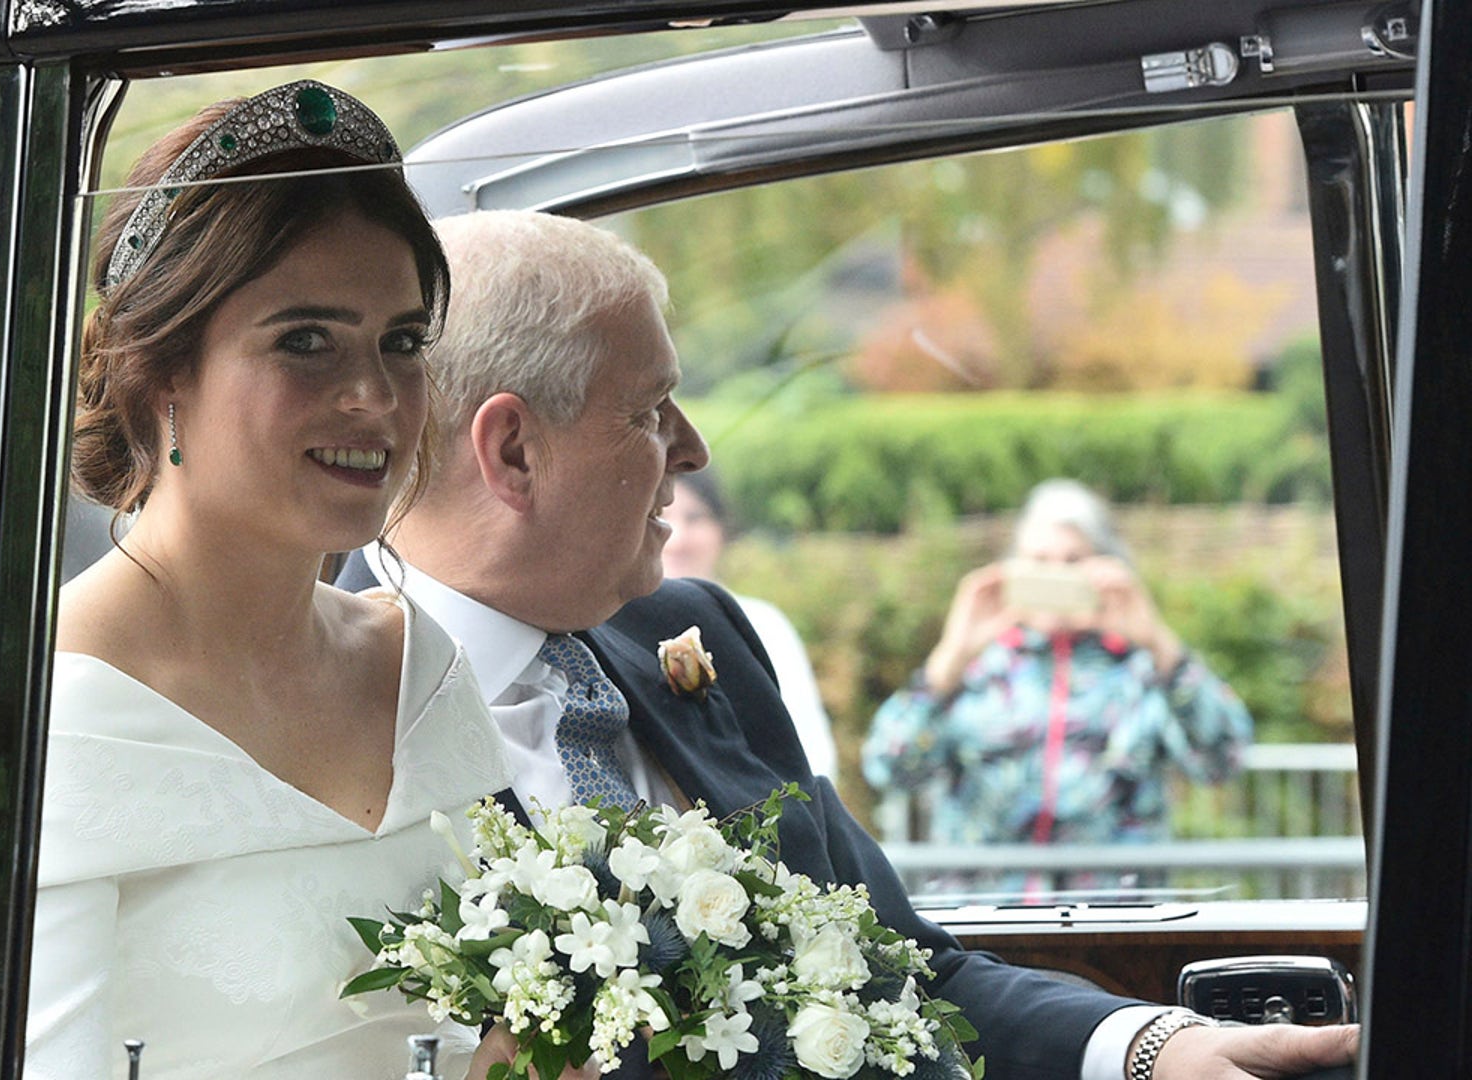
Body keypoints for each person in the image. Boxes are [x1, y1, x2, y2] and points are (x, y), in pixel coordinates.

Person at [337, 209, 1353, 1080]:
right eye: (649, 411)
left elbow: (901, 967)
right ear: (515, 450)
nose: (692, 450)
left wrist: (1151, 1047)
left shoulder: (696, 636)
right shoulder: (314, 711)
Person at [0, 82, 559, 1080]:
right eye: (305, 341)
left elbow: (509, 1027)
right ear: (162, 370)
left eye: (401, 342)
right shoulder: (35, 725)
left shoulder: (418, 667)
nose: (375, 397)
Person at [861, 478, 1254, 896]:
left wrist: (1160, 644)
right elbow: (888, 766)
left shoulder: (1141, 671)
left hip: (1115, 919)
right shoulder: (978, 670)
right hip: (983, 917)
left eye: (1073, 560)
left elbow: (1223, 759)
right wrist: (950, 657)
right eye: (1039, 560)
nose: (1055, 574)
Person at [661, 469, 837, 777]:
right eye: (661, 516)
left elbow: (811, 747)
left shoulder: (764, 625)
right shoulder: (609, 627)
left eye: (694, 518)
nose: (678, 538)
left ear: (722, 529)